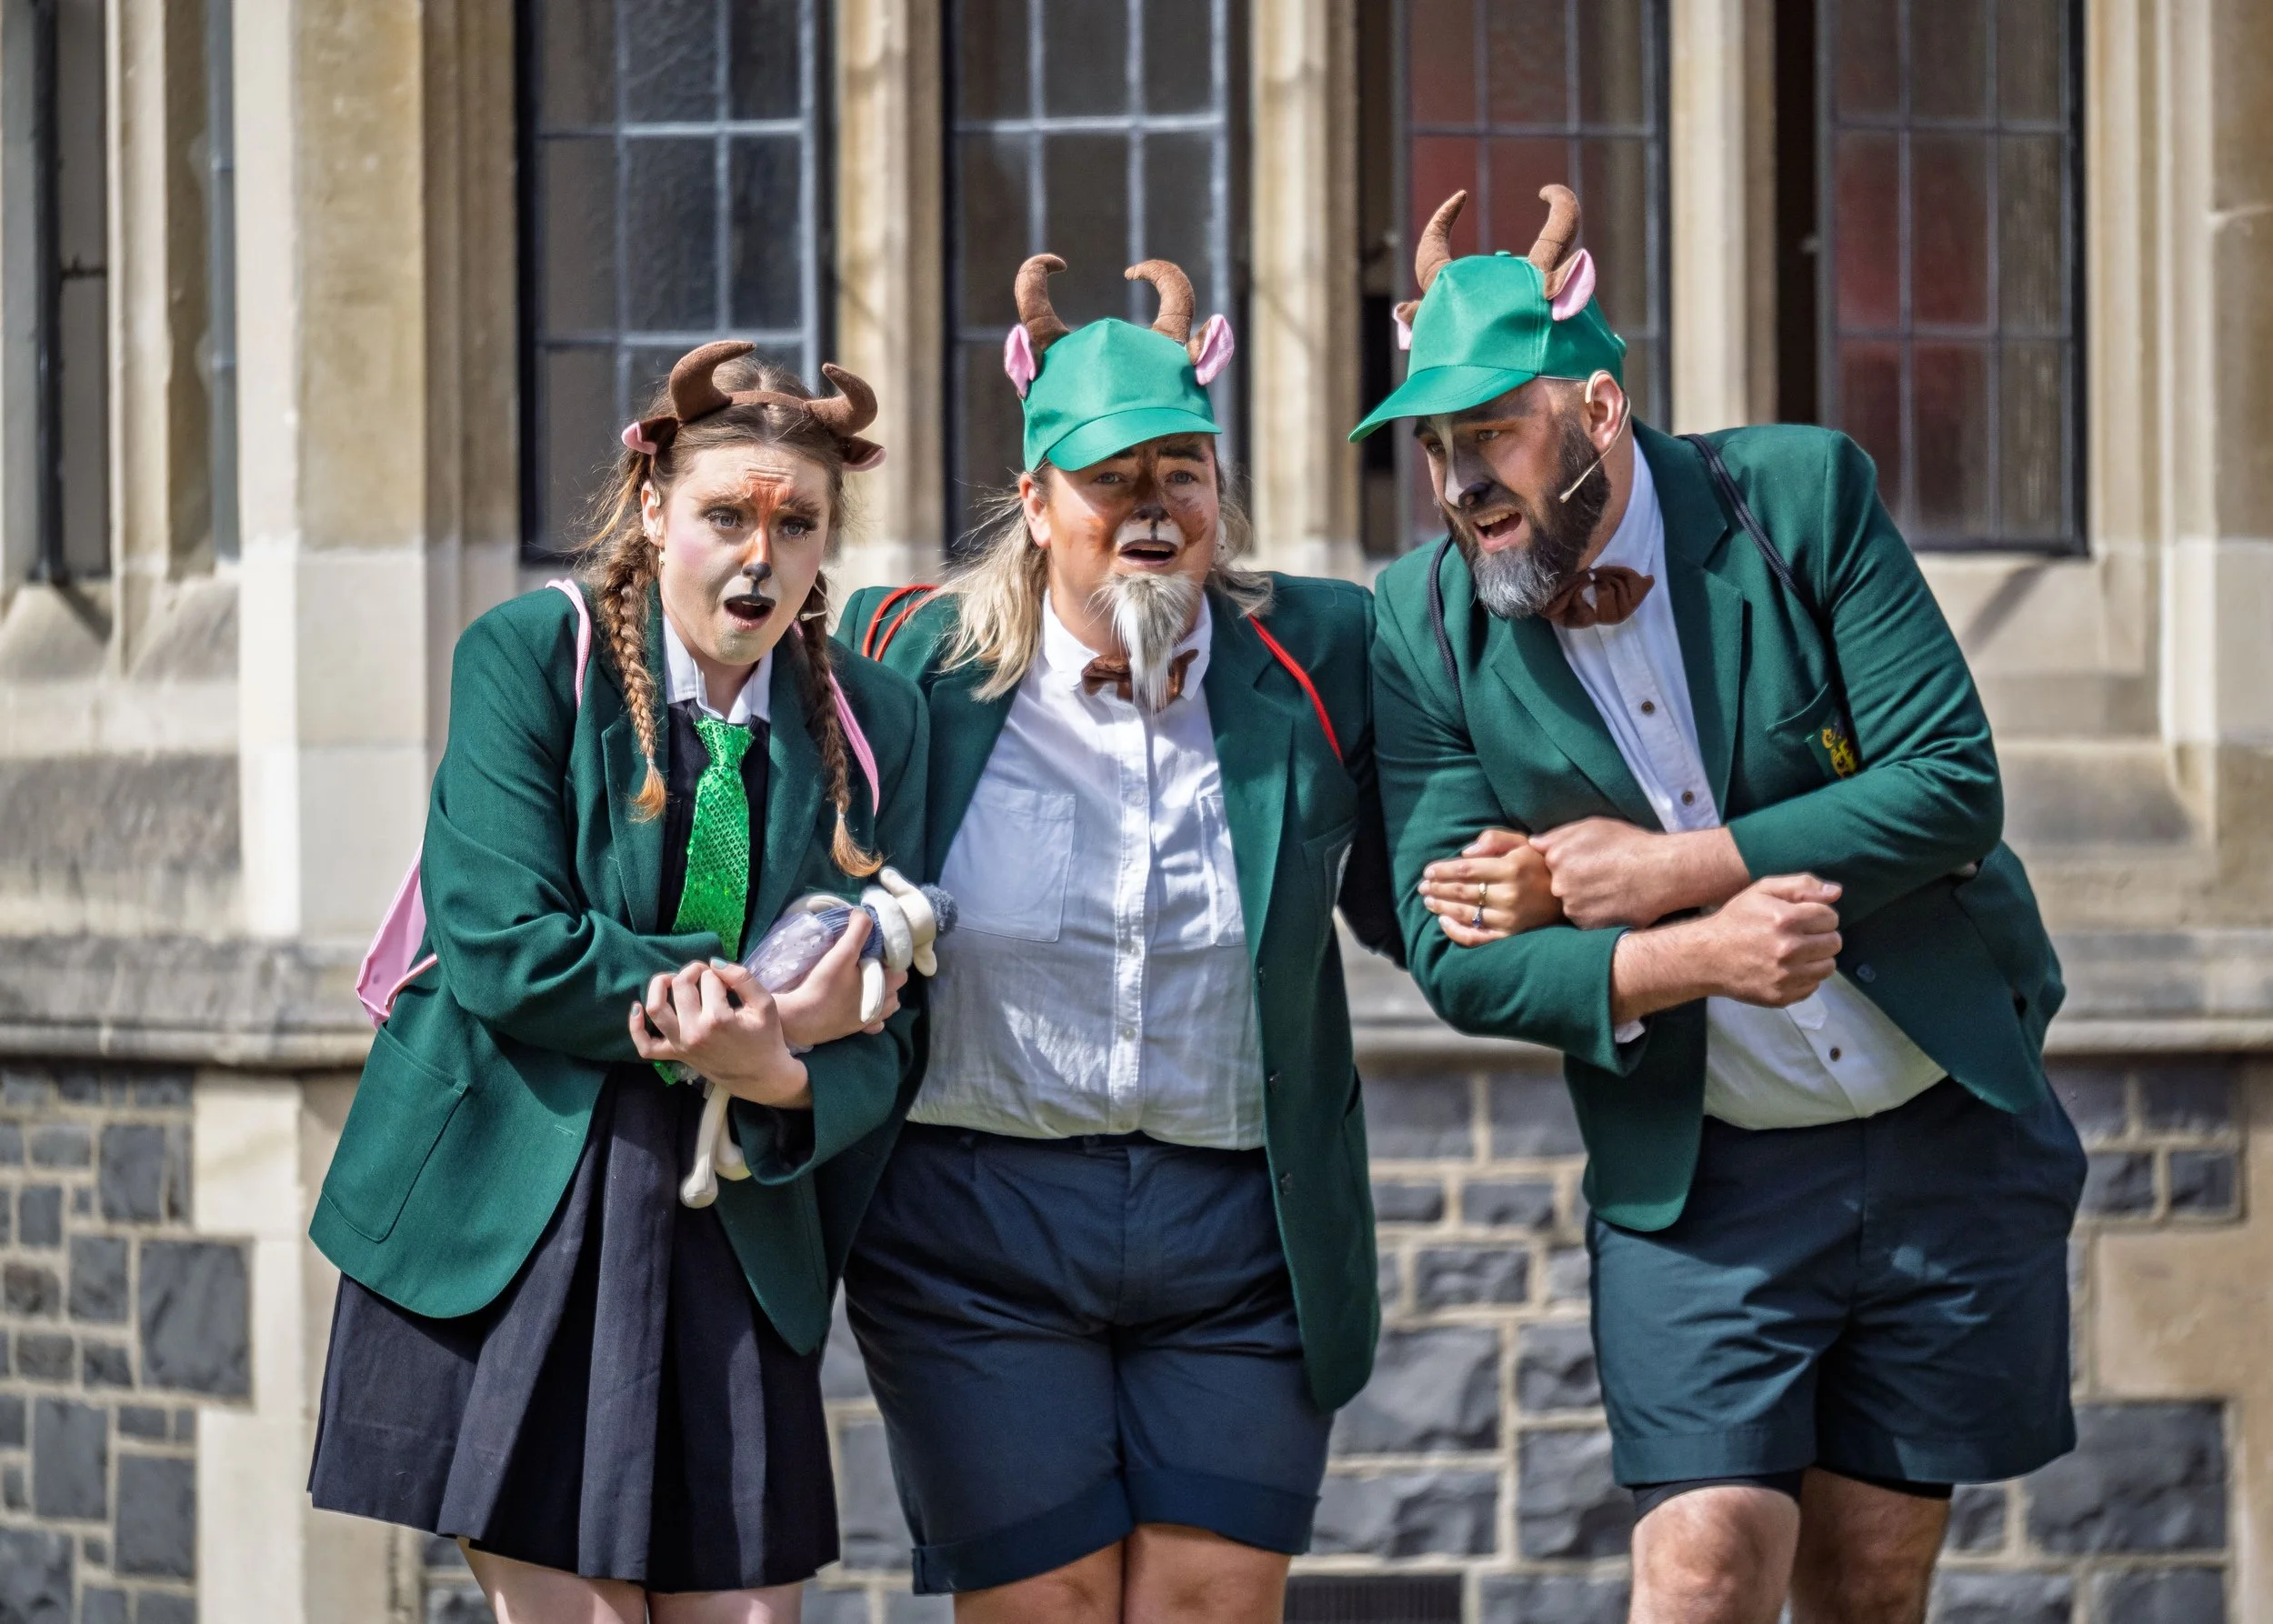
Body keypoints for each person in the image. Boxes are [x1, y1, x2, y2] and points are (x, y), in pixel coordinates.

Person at [1358, 186, 2083, 1624]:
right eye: (1437, 447)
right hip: (1707, 1181)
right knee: (1700, 1568)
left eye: (1493, 432)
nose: (1462, 481)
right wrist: (1694, 953)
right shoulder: (1424, 619)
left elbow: (1950, 782)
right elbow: (1454, 946)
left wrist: (1664, 871)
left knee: (1873, 1577)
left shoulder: (1796, 497)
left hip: (1943, 1125)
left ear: (1601, 409)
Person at [307, 344, 928, 1624]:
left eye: (796, 525)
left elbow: (895, 1019)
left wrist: (785, 1074)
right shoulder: (532, 655)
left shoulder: (877, 720)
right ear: (653, 508)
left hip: (733, 1220)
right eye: (725, 516)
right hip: (523, 1199)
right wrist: (759, 1009)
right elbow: (505, 946)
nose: (760, 557)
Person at [836, 254, 1402, 1624]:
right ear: (1036, 505)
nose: (1152, 507)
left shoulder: (1322, 651)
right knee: (1051, 1606)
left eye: (1181, 473)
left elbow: (1418, 879)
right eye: (1110, 478)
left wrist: (1590, 919)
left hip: (1241, 1224)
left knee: (1213, 1604)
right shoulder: (909, 657)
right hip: (976, 1223)